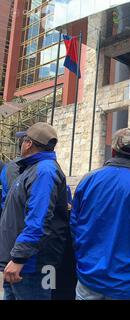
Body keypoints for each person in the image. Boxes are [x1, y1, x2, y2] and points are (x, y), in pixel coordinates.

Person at [70, 128, 130, 300]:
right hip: (126, 282)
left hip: (88, 275)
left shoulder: (88, 179)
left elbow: (74, 225)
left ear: (113, 151)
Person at [0, 122, 69, 300]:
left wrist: (19, 258)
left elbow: (38, 220)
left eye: (23, 140)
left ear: (29, 143)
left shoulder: (44, 171)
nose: (21, 144)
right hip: (17, 261)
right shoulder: (31, 169)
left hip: (30, 266)